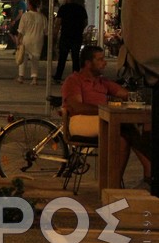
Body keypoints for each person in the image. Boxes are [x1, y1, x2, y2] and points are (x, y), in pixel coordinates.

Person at [62, 45, 151, 190]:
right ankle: (148, 170)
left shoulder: (102, 81)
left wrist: (138, 94)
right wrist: (106, 110)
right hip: (80, 121)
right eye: (100, 59)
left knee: (133, 131)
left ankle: (114, 184)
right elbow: (77, 107)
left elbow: (126, 94)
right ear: (88, 63)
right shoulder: (74, 80)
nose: (105, 62)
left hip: (105, 120)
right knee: (124, 126)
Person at [53, 0, 88, 83]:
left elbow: (58, 22)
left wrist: (55, 34)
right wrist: (80, 29)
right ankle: (76, 76)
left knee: (62, 57)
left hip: (66, 35)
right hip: (77, 36)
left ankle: (58, 76)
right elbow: (85, 22)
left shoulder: (63, 8)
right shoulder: (80, 8)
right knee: (75, 57)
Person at [16, 0, 47, 85]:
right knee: (35, 59)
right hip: (38, 40)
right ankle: (34, 78)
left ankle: (21, 77)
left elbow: (21, 30)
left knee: (23, 57)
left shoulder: (25, 16)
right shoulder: (42, 17)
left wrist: (18, 40)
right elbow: (46, 31)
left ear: (30, 5)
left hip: (27, 39)